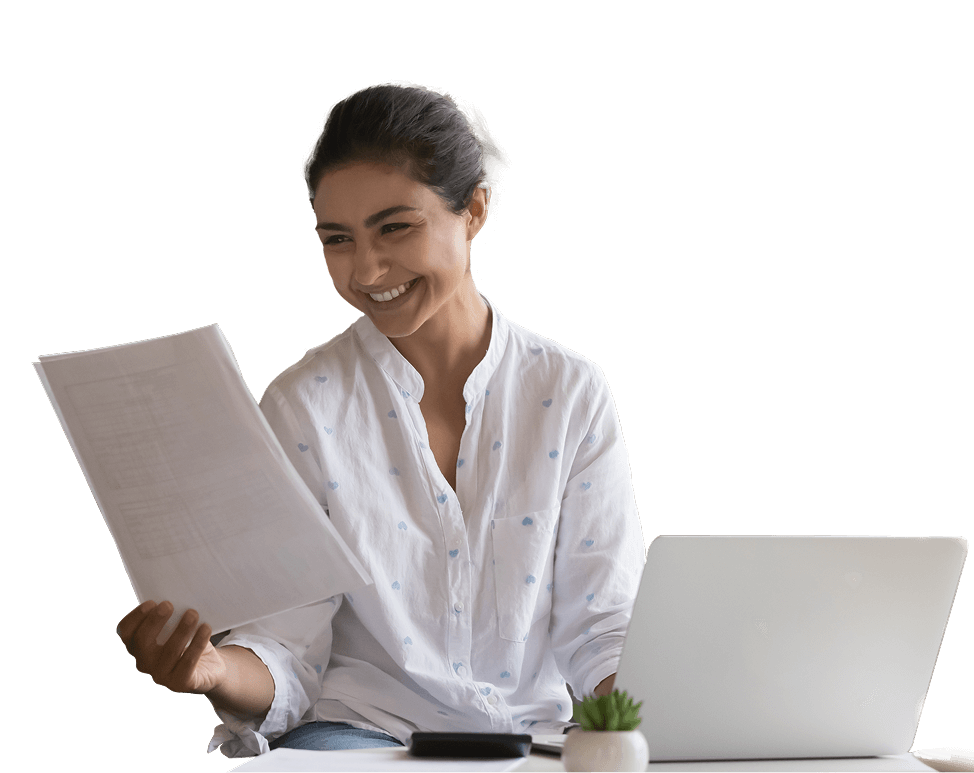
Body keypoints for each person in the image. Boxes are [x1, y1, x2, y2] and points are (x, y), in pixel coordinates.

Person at [116, 80, 645, 759]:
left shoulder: (570, 390)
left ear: (473, 210)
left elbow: (604, 628)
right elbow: (284, 649)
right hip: (357, 735)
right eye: (338, 239)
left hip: (532, 743)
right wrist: (209, 670)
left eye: (395, 227)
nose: (366, 269)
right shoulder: (304, 404)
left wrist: (661, 724)